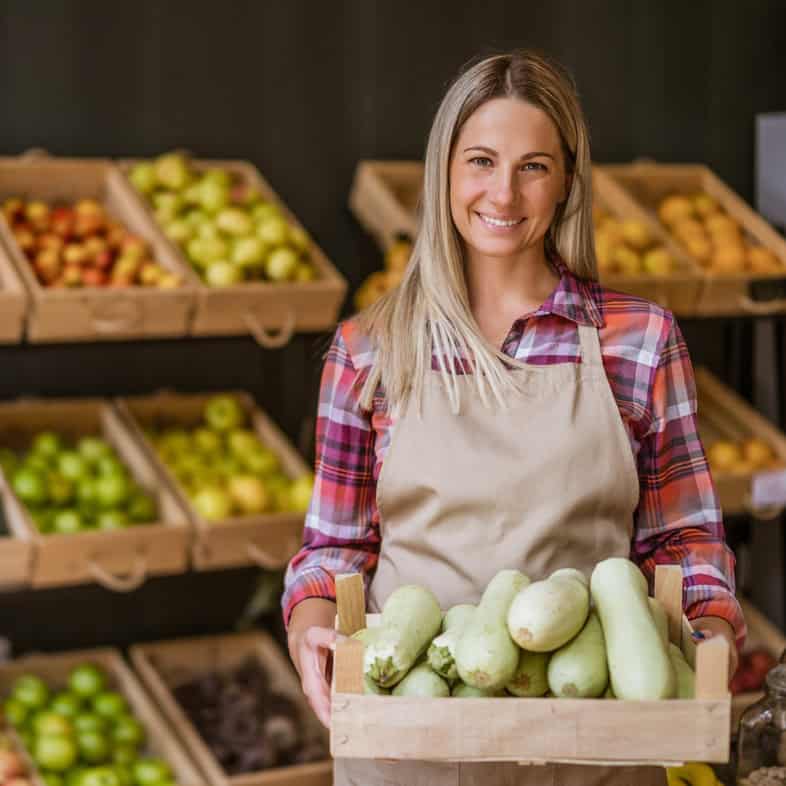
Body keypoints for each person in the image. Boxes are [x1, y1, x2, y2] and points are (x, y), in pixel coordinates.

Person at [283, 49, 745, 786]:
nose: (504, 191)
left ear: (566, 183)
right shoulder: (369, 349)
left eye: (533, 166)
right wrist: (311, 627)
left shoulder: (639, 341)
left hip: (591, 740)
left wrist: (704, 639)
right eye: (480, 161)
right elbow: (335, 548)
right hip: (410, 741)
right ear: (444, 174)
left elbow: (684, 538)